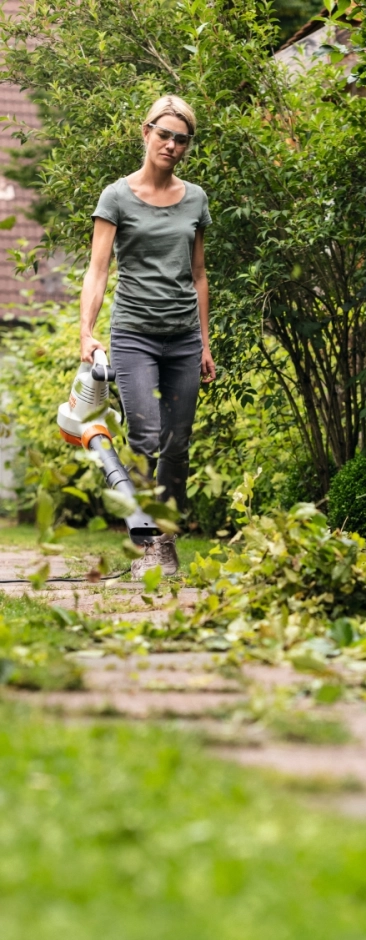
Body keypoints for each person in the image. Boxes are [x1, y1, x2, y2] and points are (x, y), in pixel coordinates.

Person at [79, 95, 215, 579]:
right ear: (146, 132)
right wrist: (86, 332)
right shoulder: (116, 196)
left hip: (182, 338)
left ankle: (166, 540)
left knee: (178, 443)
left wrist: (204, 341)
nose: (172, 145)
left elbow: (198, 274)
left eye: (182, 139)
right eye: (165, 134)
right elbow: (98, 271)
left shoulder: (196, 198)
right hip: (134, 332)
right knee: (145, 435)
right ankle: (147, 538)